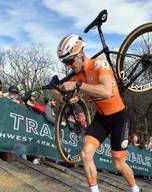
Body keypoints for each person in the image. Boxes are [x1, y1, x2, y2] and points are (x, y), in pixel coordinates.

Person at [54, 34, 141, 192]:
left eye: (70, 61)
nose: (68, 66)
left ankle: (135, 189)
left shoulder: (99, 63)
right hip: (101, 118)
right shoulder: (76, 75)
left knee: (118, 163)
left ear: (81, 54)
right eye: (65, 62)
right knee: (85, 154)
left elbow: (107, 92)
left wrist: (78, 85)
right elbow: (56, 92)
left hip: (118, 118)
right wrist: (63, 97)